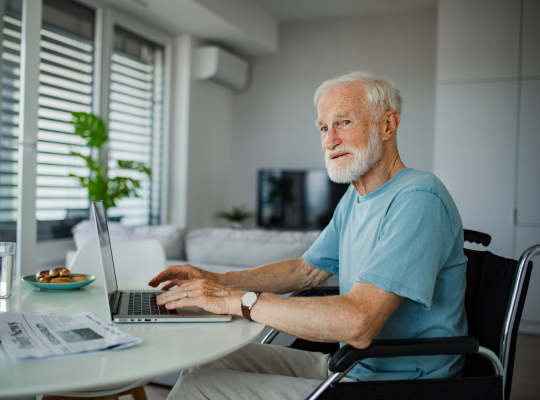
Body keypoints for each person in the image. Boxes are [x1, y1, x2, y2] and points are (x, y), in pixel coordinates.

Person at [149, 71, 468, 400]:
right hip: (350, 367)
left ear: (387, 125)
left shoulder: (418, 197)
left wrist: (235, 301)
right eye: (323, 128)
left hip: (401, 383)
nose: (329, 141)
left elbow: (359, 321)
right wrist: (219, 280)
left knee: (195, 388)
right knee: (203, 361)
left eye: (343, 122)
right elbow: (306, 270)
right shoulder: (355, 199)